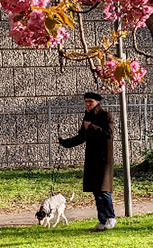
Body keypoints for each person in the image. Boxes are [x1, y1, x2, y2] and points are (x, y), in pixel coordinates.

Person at [58, 92, 116, 231]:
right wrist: (65, 143)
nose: (88, 104)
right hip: (92, 158)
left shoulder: (105, 115)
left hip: (103, 159)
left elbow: (108, 133)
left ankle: (110, 218)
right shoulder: (87, 116)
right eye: (86, 102)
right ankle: (102, 221)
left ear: (97, 102)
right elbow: (81, 136)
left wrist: (92, 127)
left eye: (90, 102)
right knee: (96, 191)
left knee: (103, 190)